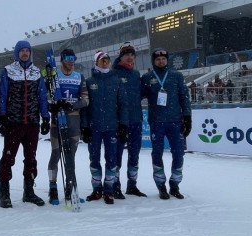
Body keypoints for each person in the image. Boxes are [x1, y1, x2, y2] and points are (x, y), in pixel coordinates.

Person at [0, 40, 50, 208]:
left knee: (31, 158)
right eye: (22, 51)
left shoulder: (36, 72)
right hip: (14, 122)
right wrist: (3, 117)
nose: (25, 53)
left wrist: (45, 117)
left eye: (27, 51)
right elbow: (3, 95)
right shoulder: (8, 71)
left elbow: (42, 96)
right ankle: (4, 192)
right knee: (8, 157)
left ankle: (29, 191)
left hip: (32, 122)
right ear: (17, 53)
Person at [141, 48, 191, 200]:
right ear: (153, 61)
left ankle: (175, 185)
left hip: (175, 121)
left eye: (163, 59)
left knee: (178, 153)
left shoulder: (176, 75)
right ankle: (161, 185)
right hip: (157, 122)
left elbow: (184, 96)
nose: (161, 61)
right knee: (157, 153)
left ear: (167, 60)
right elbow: (136, 95)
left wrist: (187, 117)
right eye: (157, 59)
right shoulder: (148, 77)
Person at [80, 50, 128, 204]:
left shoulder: (116, 80)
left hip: (112, 127)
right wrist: (85, 127)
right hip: (94, 128)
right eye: (102, 60)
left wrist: (123, 125)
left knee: (111, 159)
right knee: (94, 159)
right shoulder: (89, 81)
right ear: (96, 63)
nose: (105, 62)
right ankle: (97, 189)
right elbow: (85, 108)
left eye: (107, 60)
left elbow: (123, 105)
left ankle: (109, 190)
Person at [46, 48, 88, 204]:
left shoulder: (79, 76)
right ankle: (53, 188)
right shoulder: (54, 74)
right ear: (62, 59)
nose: (71, 61)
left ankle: (71, 188)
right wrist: (53, 105)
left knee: (71, 156)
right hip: (58, 119)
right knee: (56, 154)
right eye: (68, 58)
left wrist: (73, 105)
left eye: (73, 58)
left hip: (73, 120)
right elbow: (47, 94)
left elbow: (85, 99)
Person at [113, 43, 146, 198]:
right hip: (119, 122)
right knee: (117, 155)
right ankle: (115, 185)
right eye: (126, 54)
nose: (129, 56)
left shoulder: (136, 74)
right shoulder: (113, 74)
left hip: (136, 121)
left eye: (132, 54)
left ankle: (132, 185)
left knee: (134, 154)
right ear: (121, 56)